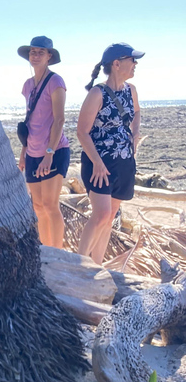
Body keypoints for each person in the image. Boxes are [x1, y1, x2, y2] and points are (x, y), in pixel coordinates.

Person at [77, 43, 144, 264]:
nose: (135, 64)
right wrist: (97, 162)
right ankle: (78, 264)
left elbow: (136, 112)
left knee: (110, 217)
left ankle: (96, 266)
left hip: (124, 162)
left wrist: (135, 133)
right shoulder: (97, 93)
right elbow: (82, 132)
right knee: (101, 215)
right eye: (132, 60)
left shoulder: (131, 90)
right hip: (99, 163)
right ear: (116, 64)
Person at [16, 36, 70, 248]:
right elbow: (30, 120)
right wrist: (23, 152)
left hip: (54, 151)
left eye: (41, 52)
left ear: (49, 56)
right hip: (32, 152)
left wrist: (49, 153)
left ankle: (57, 252)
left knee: (50, 205)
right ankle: (45, 251)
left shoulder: (56, 82)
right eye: (33, 52)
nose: (35, 56)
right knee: (38, 206)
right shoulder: (28, 85)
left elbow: (59, 120)